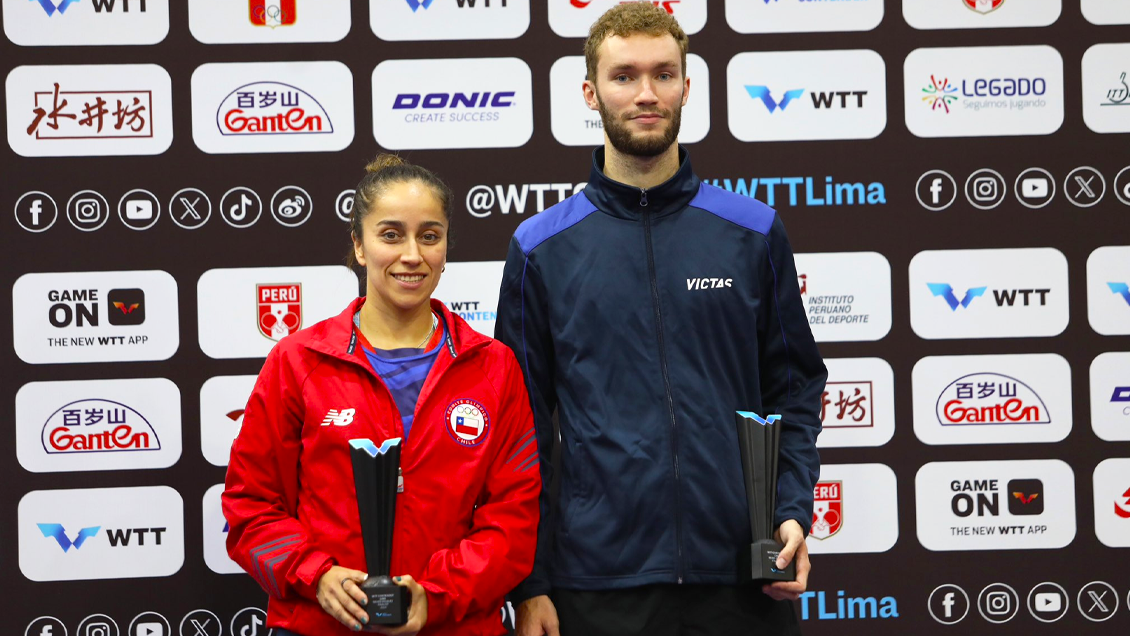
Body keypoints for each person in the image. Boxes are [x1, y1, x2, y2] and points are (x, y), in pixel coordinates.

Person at [495, 4, 827, 635]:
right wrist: (531, 581)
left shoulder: (752, 232)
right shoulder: (541, 248)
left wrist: (788, 509)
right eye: (624, 76)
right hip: (597, 585)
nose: (646, 94)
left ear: (686, 86)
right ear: (591, 92)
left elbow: (794, 388)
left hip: (742, 577)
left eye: (663, 74)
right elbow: (521, 427)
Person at [223, 155, 541, 636]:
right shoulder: (298, 361)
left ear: (446, 247)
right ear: (359, 244)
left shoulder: (493, 367)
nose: (412, 255)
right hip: (321, 625)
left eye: (429, 236)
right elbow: (250, 506)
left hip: (454, 625)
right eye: (391, 235)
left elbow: (513, 521)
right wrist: (316, 575)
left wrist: (436, 596)